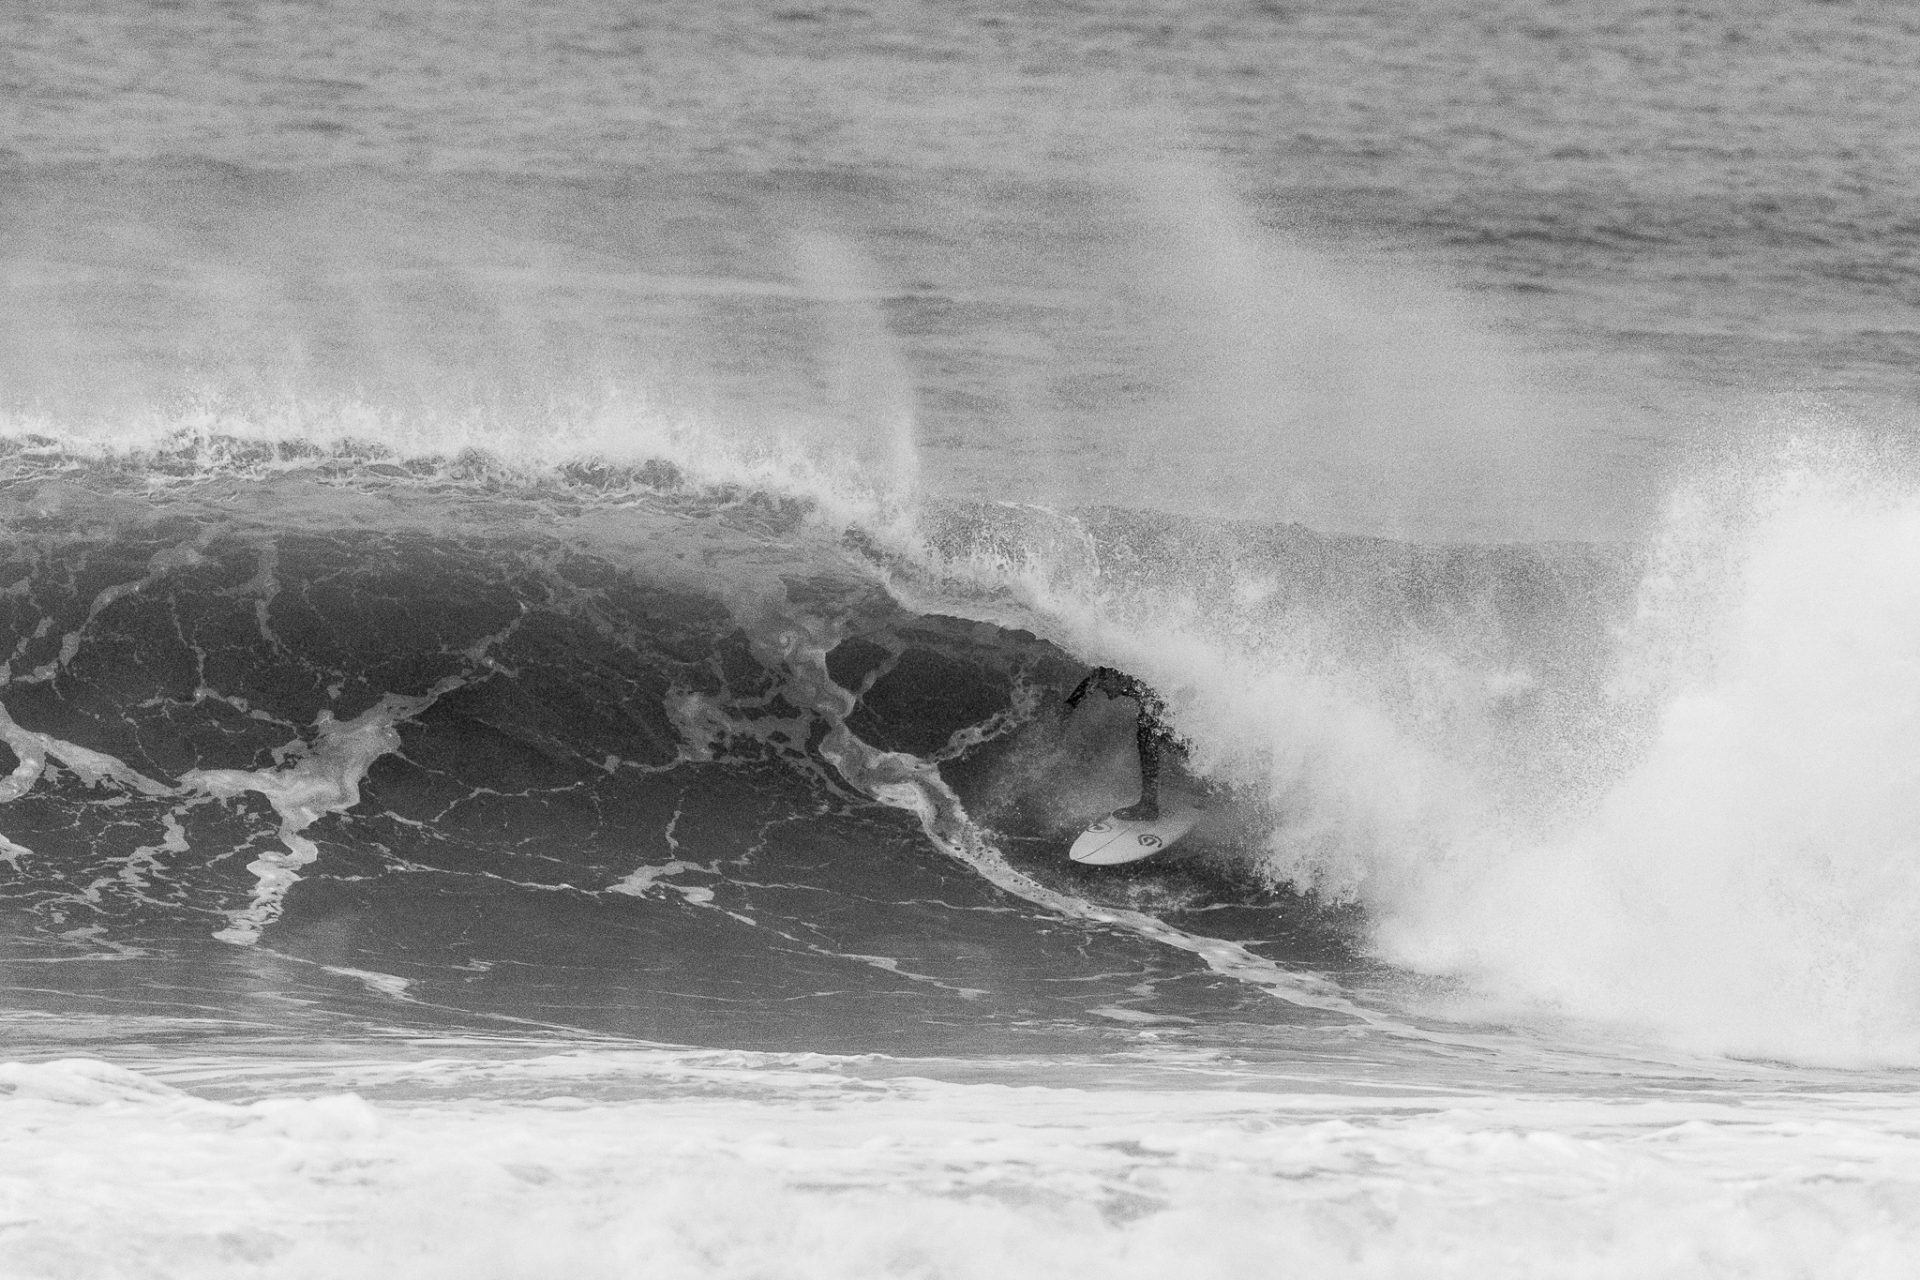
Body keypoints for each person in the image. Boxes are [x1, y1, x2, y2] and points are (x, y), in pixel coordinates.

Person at [1063, 666, 1187, 822]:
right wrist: (1071, 704)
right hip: (1175, 697)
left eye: (1104, 688)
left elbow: (1160, 706)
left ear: (1112, 677)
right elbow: (1091, 681)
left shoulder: (1138, 683)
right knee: (1152, 736)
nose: (1108, 696)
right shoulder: (1121, 677)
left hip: (1180, 699)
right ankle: (1198, 771)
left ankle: (1149, 805)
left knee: (1149, 736)